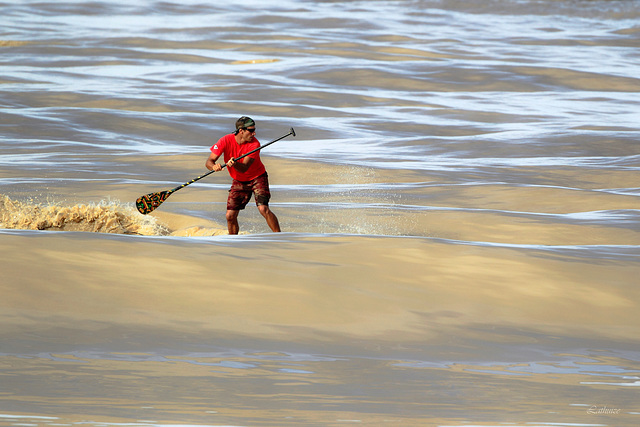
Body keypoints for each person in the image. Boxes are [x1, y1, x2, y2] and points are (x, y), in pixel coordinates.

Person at [205, 116, 281, 235]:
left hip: (258, 177)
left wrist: (234, 164)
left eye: (254, 130)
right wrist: (213, 166)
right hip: (239, 180)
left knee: (263, 209)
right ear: (241, 131)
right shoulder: (225, 140)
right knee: (230, 215)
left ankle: (279, 236)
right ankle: (233, 243)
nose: (254, 133)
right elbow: (209, 162)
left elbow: (244, 168)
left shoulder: (255, 144)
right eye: (251, 130)